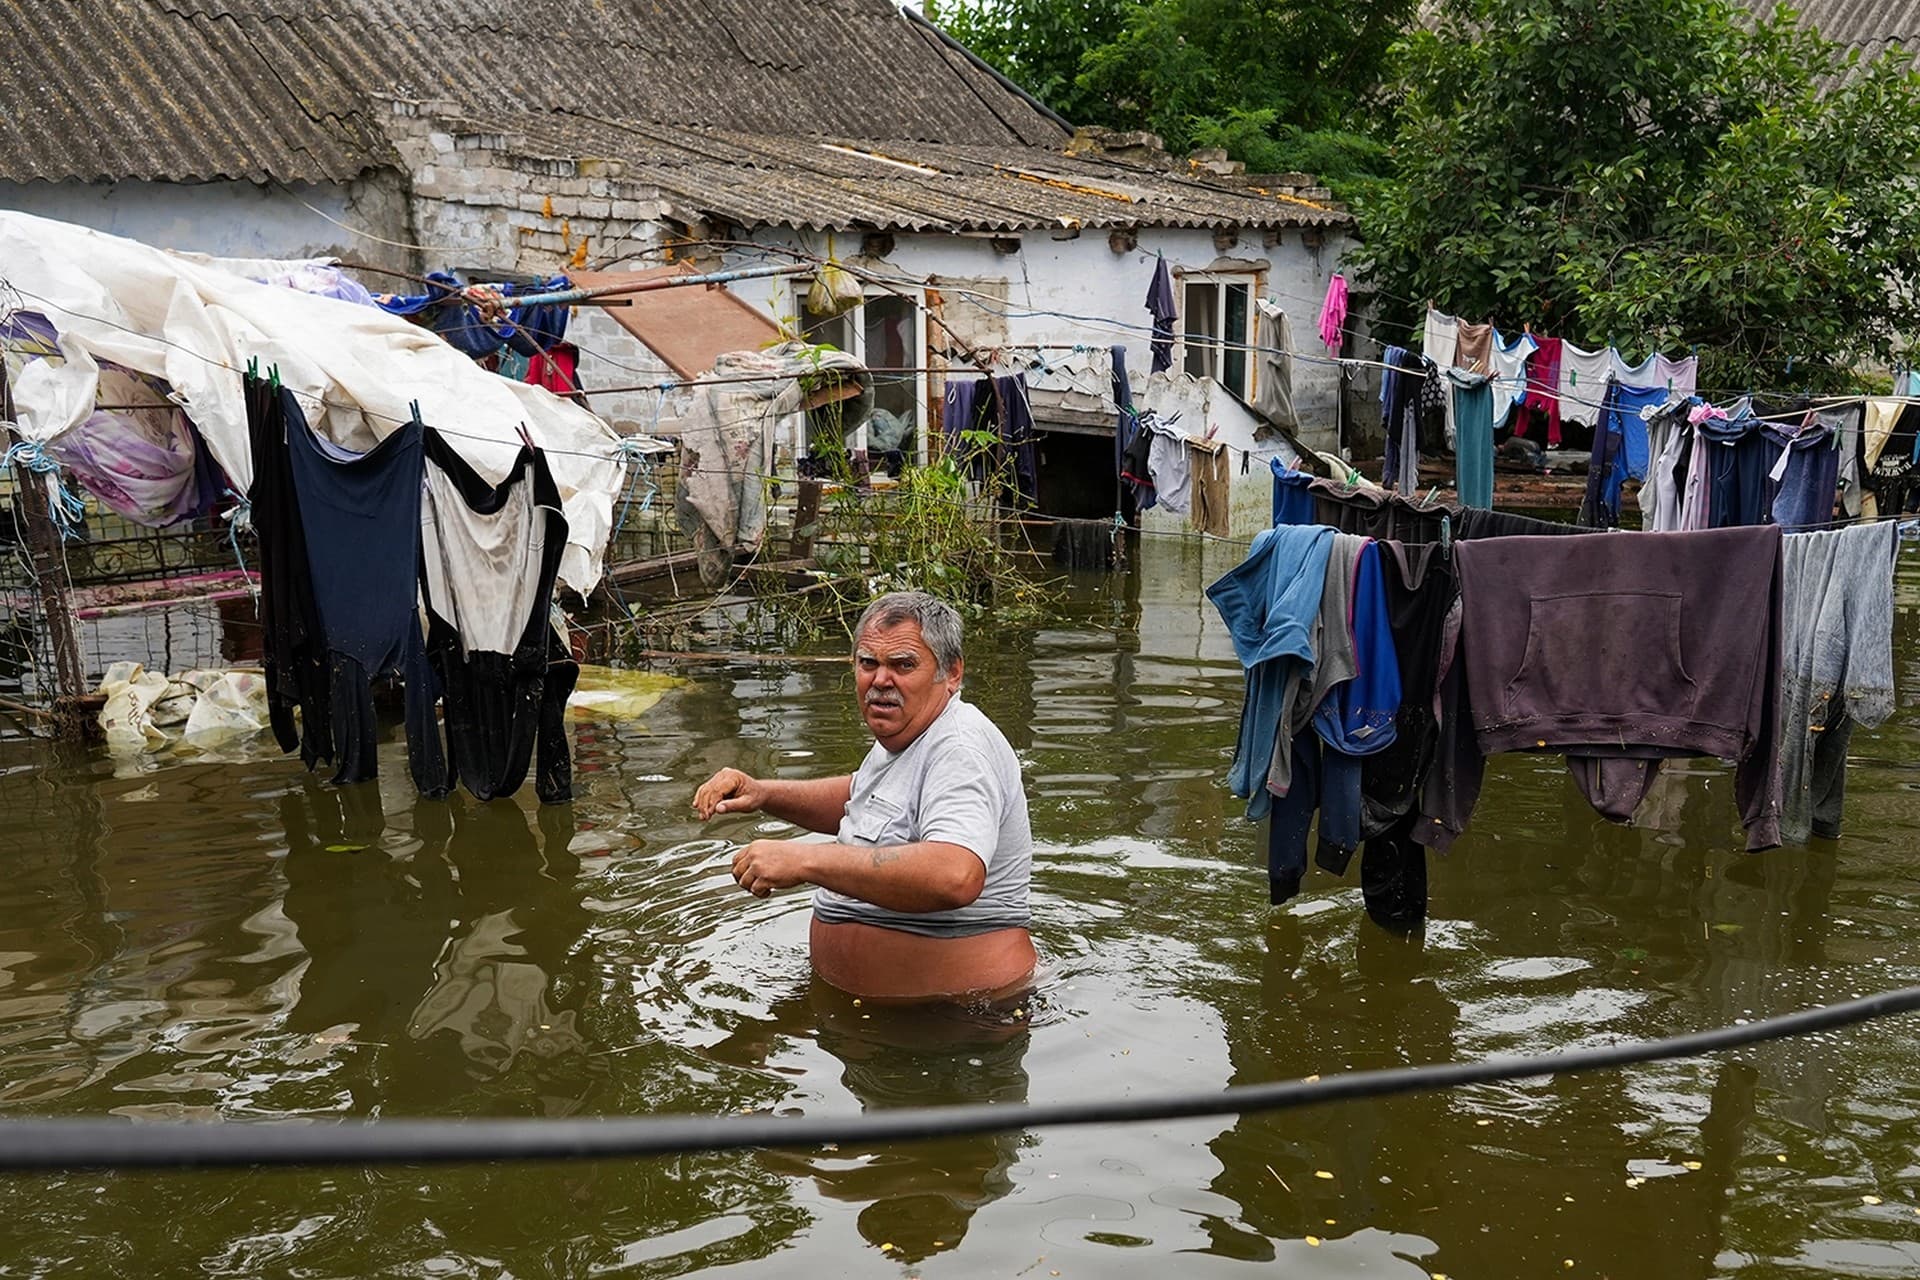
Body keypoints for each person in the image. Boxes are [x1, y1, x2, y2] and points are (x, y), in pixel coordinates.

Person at [693, 591, 1034, 1001]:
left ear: (952, 673)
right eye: (868, 663)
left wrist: (804, 859)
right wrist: (764, 793)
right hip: (874, 1020)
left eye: (903, 665)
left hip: (958, 1021)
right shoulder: (909, 734)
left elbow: (955, 875)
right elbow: (865, 799)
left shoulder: (959, 748)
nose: (881, 680)